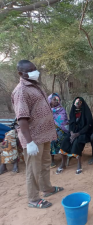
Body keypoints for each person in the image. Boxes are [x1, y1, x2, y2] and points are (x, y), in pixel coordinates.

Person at [11, 60, 63, 208]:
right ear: (21, 73)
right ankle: (33, 199)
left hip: (44, 135)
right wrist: (29, 142)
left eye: (35, 69)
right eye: (31, 70)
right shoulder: (21, 91)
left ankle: (46, 188)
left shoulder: (34, 86)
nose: (36, 72)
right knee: (33, 170)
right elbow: (22, 118)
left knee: (45, 164)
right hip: (33, 138)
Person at [56, 97, 93, 175]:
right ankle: (63, 164)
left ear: (82, 103)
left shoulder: (86, 112)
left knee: (77, 141)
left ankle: (79, 164)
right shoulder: (73, 111)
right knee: (65, 141)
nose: (78, 104)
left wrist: (78, 134)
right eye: (76, 103)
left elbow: (88, 126)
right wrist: (72, 133)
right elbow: (71, 123)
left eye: (80, 102)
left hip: (84, 133)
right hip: (73, 133)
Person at [48, 93, 69, 168]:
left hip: (62, 130)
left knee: (61, 138)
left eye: (57, 99)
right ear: (50, 101)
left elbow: (63, 122)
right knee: (51, 139)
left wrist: (57, 131)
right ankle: (52, 160)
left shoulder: (61, 109)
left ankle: (64, 158)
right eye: (54, 99)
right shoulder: (47, 111)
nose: (56, 101)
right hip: (51, 131)